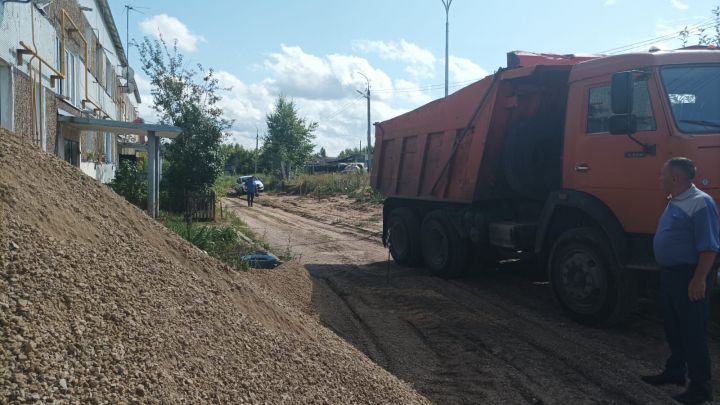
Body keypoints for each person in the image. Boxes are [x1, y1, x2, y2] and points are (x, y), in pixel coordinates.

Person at [642, 157, 719, 404]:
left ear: (676, 178)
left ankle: (701, 388)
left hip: (689, 276)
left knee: (692, 332)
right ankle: (675, 372)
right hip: (671, 275)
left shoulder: (700, 203)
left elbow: (709, 248)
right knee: (674, 328)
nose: (659, 178)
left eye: (662, 174)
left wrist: (699, 280)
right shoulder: (676, 200)